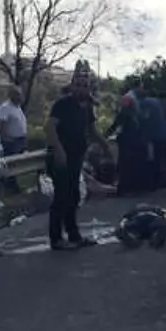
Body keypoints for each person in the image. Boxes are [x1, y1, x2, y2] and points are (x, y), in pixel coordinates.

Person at [44, 71, 110, 251]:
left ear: (89, 87)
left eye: (84, 85)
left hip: (76, 156)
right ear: (72, 86)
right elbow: (50, 127)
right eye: (78, 85)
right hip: (61, 157)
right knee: (61, 197)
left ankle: (74, 235)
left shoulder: (87, 106)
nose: (81, 88)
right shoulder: (63, 104)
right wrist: (58, 150)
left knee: (73, 196)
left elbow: (92, 129)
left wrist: (105, 147)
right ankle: (56, 239)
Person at [0, 86, 28, 157]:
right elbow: (0, 125)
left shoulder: (18, 108)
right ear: (11, 95)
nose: (20, 97)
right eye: (17, 94)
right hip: (12, 142)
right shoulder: (5, 108)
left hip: (21, 141)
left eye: (20, 94)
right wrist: (6, 139)